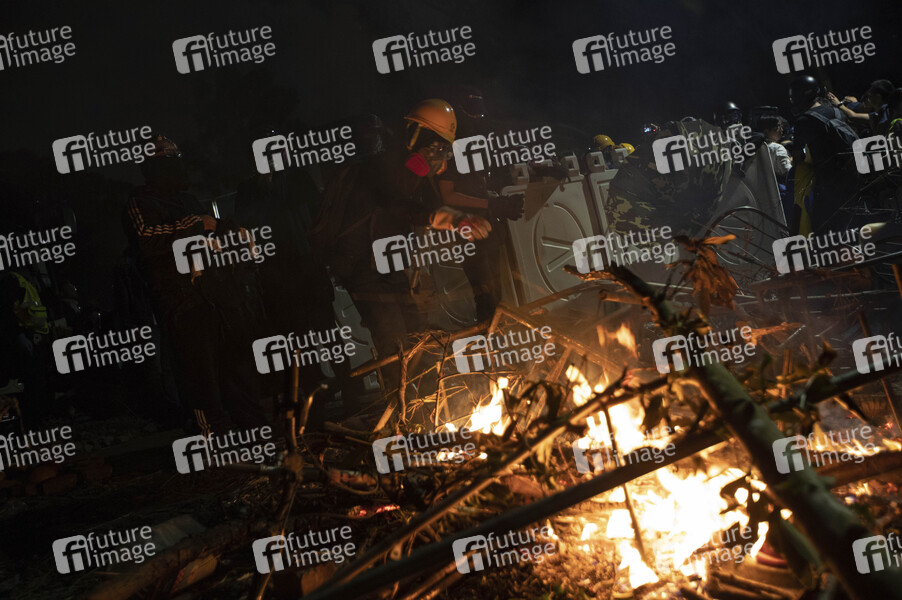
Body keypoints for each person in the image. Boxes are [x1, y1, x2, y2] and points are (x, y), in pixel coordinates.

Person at [313, 100, 490, 405]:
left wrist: (453, 222)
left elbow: (418, 210)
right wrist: (451, 219)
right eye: (433, 145)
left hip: (390, 267)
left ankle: (428, 409)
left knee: (416, 339)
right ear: (414, 133)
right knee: (394, 345)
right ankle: (404, 418)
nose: (437, 154)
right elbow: (398, 205)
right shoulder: (380, 167)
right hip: (363, 270)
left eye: (442, 148)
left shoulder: (409, 171)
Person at [124, 134, 267, 436]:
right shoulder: (140, 202)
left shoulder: (187, 200)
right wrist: (195, 225)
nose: (175, 169)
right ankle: (215, 440)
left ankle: (254, 432)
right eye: (165, 163)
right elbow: (148, 239)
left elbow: (210, 231)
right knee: (201, 378)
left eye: (175, 162)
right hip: (181, 302)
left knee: (235, 369)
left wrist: (227, 229)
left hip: (215, 297)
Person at [435, 86, 524, 322]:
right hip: (468, 230)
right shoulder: (451, 148)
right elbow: (448, 195)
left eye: (479, 114)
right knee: (486, 296)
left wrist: (540, 170)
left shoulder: (480, 144)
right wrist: (491, 204)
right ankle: (488, 339)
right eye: (471, 113)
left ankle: (495, 337)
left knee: (496, 293)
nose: (477, 119)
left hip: (489, 227)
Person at [788, 76, 859, 234]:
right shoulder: (836, 111)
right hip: (854, 175)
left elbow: (798, 158)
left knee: (822, 229)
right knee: (849, 225)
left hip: (829, 183)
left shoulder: (804, 120)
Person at [828, 79, 894, 135]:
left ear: (877, 97)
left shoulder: (884, 114)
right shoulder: (886, 112)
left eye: (870, 96)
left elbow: (853, 117)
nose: (868, 99)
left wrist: (838, 104)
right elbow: (854, 116)